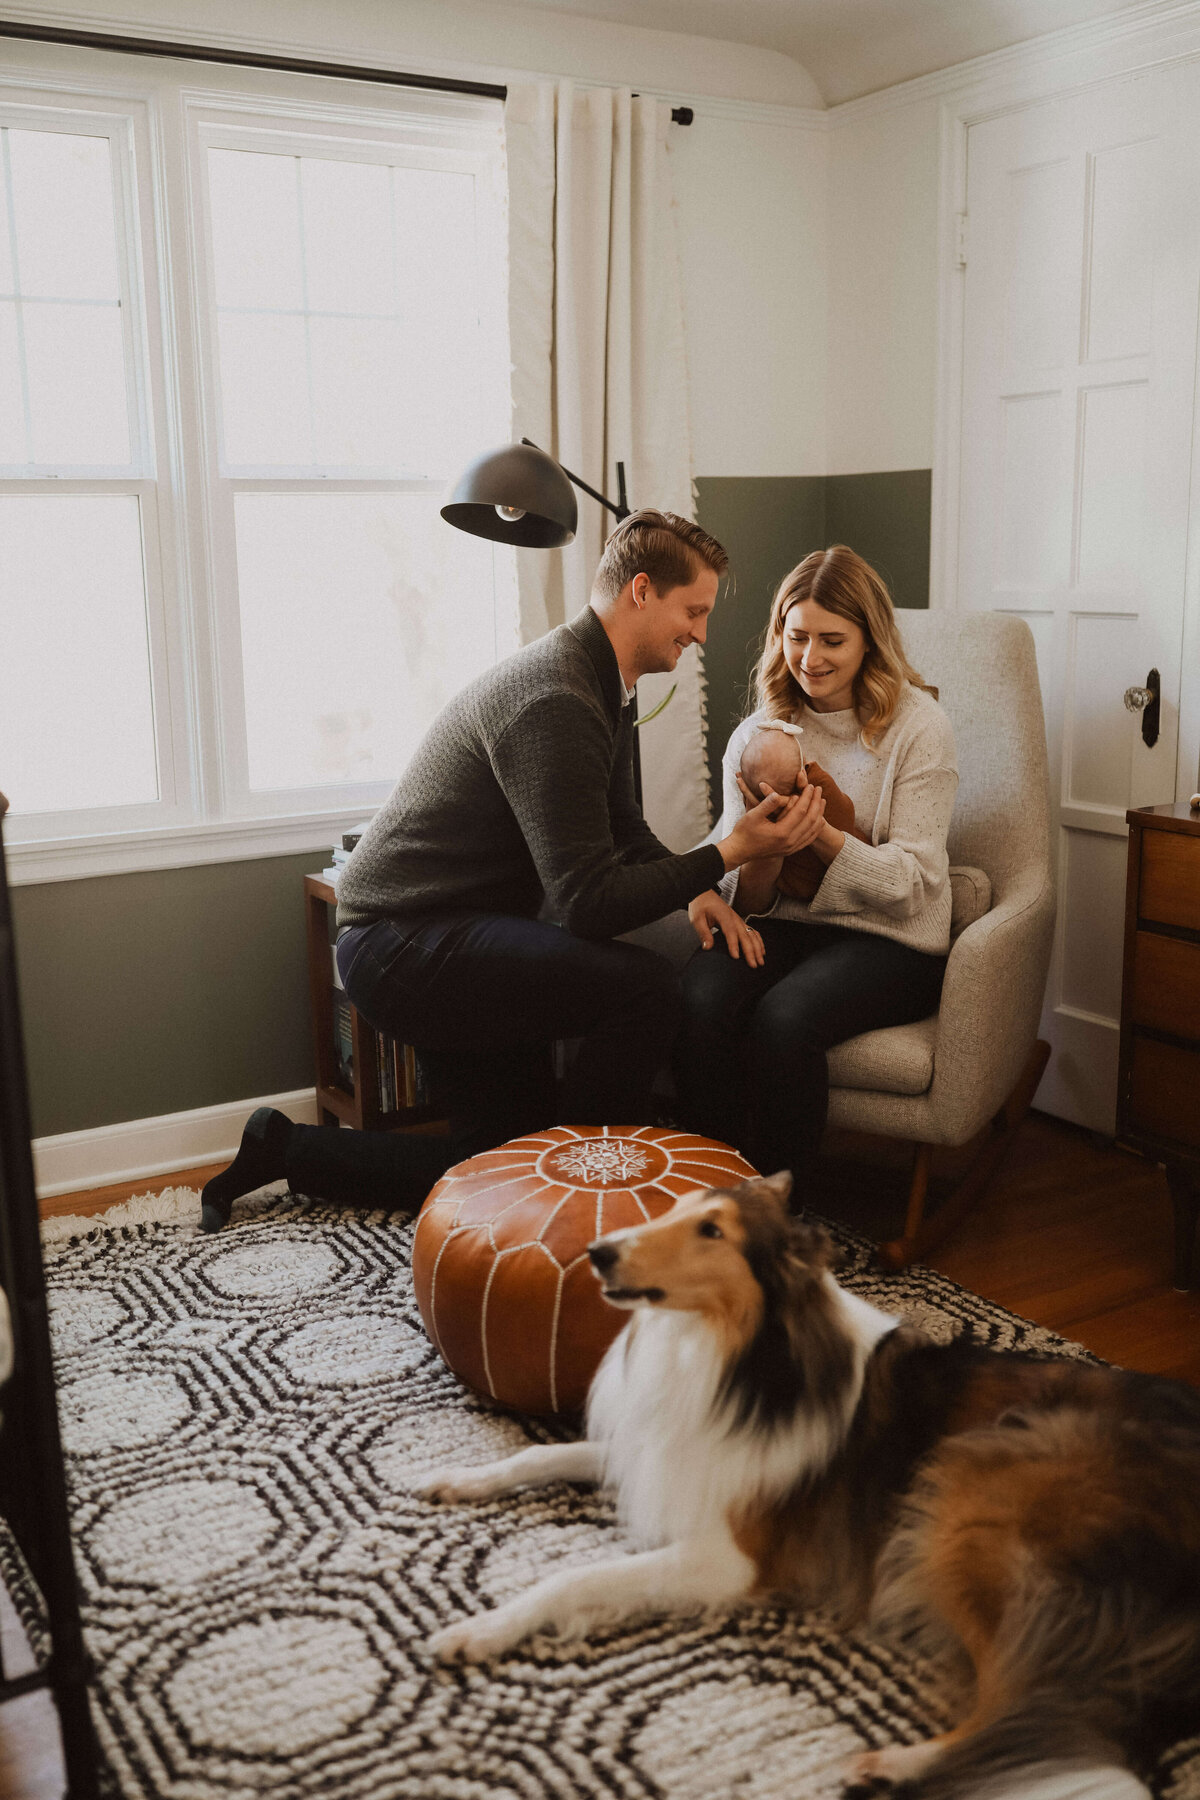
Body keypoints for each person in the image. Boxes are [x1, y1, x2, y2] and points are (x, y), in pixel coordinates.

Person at [201, 511, 829, 1231]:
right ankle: (589, 1198)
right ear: (642, 592)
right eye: (694, 612)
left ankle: (282, 1147)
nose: (701, 634)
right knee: (646, 992)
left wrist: (694, 893)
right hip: (402, 942)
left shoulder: (603, 679)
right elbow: (588, 903)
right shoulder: (558, 696)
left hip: (461, 928)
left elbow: (622, 825)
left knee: (495, 1161)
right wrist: (728, 853)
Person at [673, 545, 957, 1201]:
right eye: (797, 637)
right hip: (792, 926)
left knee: (786, 1018)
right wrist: (764, 851)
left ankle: (777, 1213)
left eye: (833, 640)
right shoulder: (758, 733)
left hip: (892, 938)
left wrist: (821, 834)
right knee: (700, 996)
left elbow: (911, 885)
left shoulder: (920, 728)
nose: (811, 658)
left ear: (869, 641)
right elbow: (747, 893)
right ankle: (710, 1193)